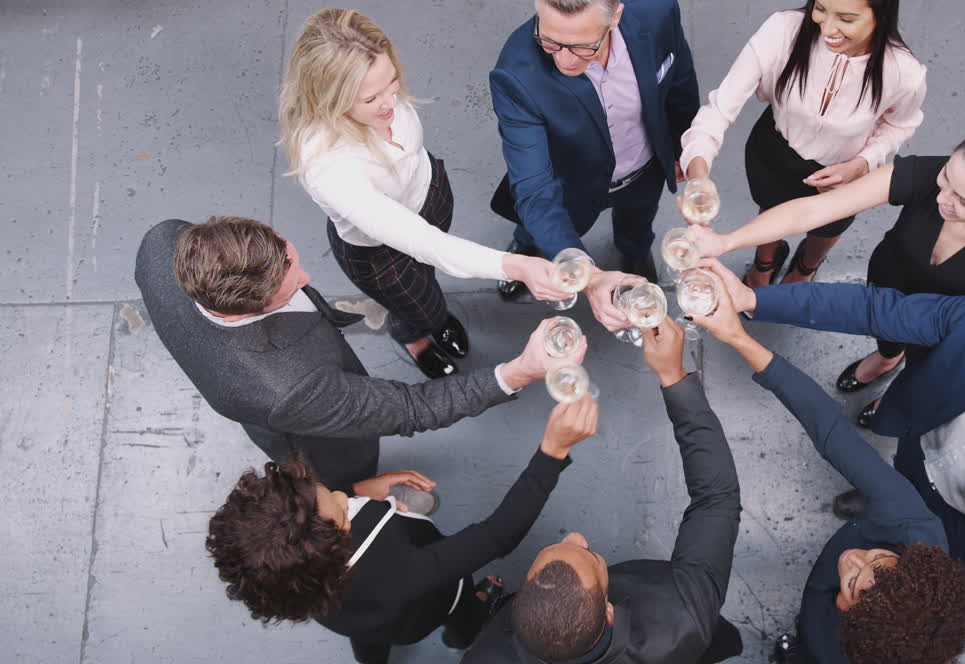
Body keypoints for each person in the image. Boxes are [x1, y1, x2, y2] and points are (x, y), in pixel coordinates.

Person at [703, 258, 965, 580]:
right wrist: (752, 298)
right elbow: (880, 310)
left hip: (953, 538)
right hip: (914, 454)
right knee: (889, 485)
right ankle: (878, 496)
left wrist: (952, 547)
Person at [134, 216, 582, 493]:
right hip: (313, 436)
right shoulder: (293, 390)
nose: (307, 276)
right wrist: (522, 369)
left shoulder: (163, 242)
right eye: (290, 287)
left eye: (290, 256)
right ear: (245, 311)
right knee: (348, 474)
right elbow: (411, 408)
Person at [691, 271, 965, 663]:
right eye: (876, 559)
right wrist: (738, 337)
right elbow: (829, 430)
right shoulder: (911, 523)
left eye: (854, 583)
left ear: (850, 615)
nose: (852, 557)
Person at [688, 123, 965, 409]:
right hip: (889, 280)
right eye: (946, 177)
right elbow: (814, 209)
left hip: (943, 320)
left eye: (962, 201)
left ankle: (897, 395)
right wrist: (726, 241)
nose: (943, 199)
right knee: (886, 332)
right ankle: (887, 357)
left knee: (928, 370)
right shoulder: (924, 175)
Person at [279, 8, 567, 378]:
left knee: (427, 281)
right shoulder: (326, 164)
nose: (389, 102)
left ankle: (427, 316)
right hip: (381, 254)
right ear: (327, 99)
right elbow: (418, 239)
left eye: (392, 82)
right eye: (371, 99)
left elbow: (429, 238)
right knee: (417, 305)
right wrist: (516, 265)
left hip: (428, 194)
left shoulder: (378, 96)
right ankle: (414, 335)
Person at [206, 396, 600, 664]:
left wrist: (359, 492)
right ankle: (465, 629)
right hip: (427, 608)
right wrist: (552, 451)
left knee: (369, 641)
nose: (345, 498)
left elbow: (336, 503)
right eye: (343, 508)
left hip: (356, 619)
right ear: (330, 544)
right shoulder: (402, 570)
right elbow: (500, 534)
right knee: (461, 612)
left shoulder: (294, 579)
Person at [462, 318, 743, 664]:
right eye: (591, 556)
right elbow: (717, 499)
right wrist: (673, 377)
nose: (576, 536)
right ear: (608, 613)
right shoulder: (681, 617)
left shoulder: (485, 656)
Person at [681, 0, 925, 287]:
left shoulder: (904, 72)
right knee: (769, 208)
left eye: (847, 18)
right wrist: (698, 176)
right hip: (775, 151)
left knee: (830, 225)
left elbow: (900, 124)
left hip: (843, 171)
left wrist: (863, 164)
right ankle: (765, 263)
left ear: (881, 13)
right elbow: (719, 110)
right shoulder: (783, 31)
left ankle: (805, 269)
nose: (827, 28)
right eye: (820, 9)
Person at [489, 0, 700, 298]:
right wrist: (587, 276)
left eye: (583, 46)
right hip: (566, 181)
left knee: (638, 222)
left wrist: (683, 143)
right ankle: (525, 252)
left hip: (644, 167)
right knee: (533, 226)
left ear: (614, 17)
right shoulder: (515, 73)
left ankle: (633, 253)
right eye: (551, 42)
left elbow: (679, 80)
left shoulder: (658, 10)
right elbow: (536, 193)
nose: (565, 61)